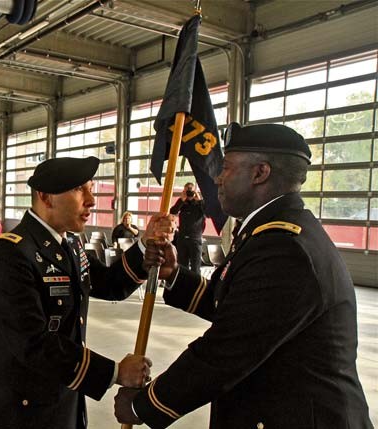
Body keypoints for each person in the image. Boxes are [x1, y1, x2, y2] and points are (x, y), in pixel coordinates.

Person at [114, 123, 372, 428]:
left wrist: (145, 405)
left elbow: (225, 350)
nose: (217, 178)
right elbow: (236, 306)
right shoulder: (271, 230)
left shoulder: (283, 247)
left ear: (260, 173)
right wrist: (173, 275)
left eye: (225, 167)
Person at [0, 156, 172, 429]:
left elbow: (109, 283)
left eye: (91, 189)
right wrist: (116, 372)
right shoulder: (11, 253)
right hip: (25, 410)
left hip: (66, 396)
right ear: (46, 196)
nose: (92, 200)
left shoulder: (69, 244)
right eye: (80, 189)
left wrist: (144, 246)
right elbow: (33, 344)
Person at [169, 182, 205, 274]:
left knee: (195, 268)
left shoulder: (200, 204)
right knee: (182, 267)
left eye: (191, 191)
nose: (189, 194)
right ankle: (183, 287)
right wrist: (181, 199)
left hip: (195, 240)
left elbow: (208, 213)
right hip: (182, 239)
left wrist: (199, 200)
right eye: (186, 191)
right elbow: (172, 212)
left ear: (195, 191)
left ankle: (195, 287)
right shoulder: (182, 203)